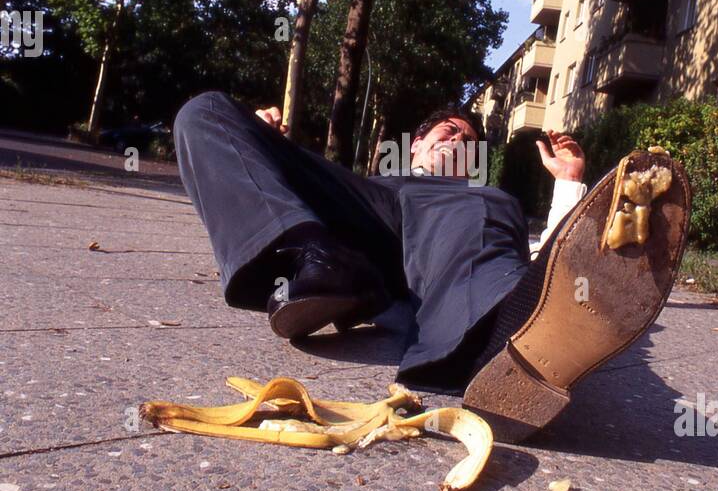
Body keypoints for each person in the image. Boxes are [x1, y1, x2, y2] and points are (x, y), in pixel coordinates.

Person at [173, 92, 690, 438]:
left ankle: (508, 338)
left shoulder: (476, 199)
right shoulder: (367, 183)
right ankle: (316, 261)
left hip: (448, 239)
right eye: (449, 131)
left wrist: (570, 184)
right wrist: (260, 142)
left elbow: (543, 262)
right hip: (362, 221)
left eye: (469, 142)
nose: (460, 140)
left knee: (484, 207)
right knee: (205, 112)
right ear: (416, 143)